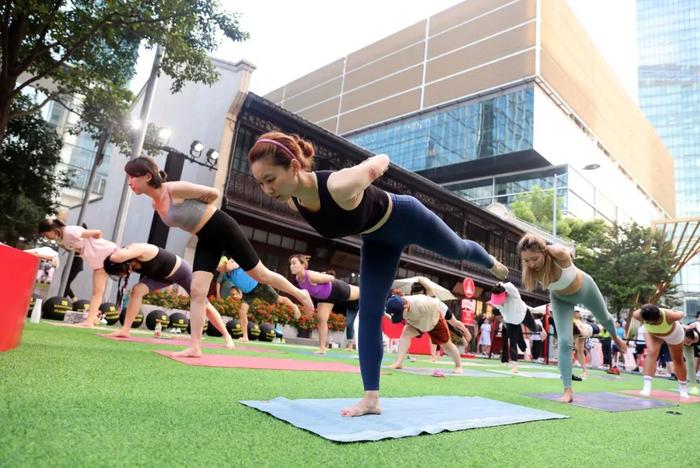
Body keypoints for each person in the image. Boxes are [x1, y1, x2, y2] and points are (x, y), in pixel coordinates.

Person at [248, 132, 508, 416]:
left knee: (457, 249)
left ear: (294, 167)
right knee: (370, 312)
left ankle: (489, 261)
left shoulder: (337, 184)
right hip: (377, 241)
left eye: (270, 179)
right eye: (261, 183)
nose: (267, 190)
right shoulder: (292, 200)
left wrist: (369, 168)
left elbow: (382, 160)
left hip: (408, 217)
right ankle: (371, 399)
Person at [124, 156, 314, 357]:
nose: (129, 182)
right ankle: (195, 347)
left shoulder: (172, 189)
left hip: (221, 227)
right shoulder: (156, 204)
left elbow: (213, 193)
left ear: (147, 176)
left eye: (132, 177)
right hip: (205, 237)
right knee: (197, 291)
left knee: (261, 275)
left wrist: (202, 205)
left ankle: (301, 294)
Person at [517, 233, 627, 403]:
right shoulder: (530, 270)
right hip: (561, 299)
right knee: (564, 342)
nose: (531, 264)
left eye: (535, 258)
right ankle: (567, 390)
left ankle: (615, 337)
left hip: (585, 288)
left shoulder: (558, 254)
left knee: (605, 318)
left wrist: (548, 247)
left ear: (544, 252)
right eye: (526, 260)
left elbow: (564, 251)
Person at [103, 243, 235, 349]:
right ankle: (126, 329)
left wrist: (111, 258)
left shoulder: (138, 249)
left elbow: (115, 257)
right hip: (162, 277)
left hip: (182, 272)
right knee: (137, 290)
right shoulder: (129, 261)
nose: (125, 274)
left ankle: (227, 336)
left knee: (204, 306)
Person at [38, 219, 117, 327]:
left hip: (107, 252)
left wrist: (95, 244)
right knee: (97, 292)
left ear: (52, 229)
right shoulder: (61, 240)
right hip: (98, 262)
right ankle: (89, 321)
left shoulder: (70, 231)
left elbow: (98, 232)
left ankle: (90, 320)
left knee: (98, 292)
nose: (46, 237)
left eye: (46, 235)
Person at [217, 256, 301, 342]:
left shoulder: (233, 261)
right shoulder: (227, 275)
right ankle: (245, 336)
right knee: (242, 311)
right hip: (248, 293)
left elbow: (229, 266)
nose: (218, 270)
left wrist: (226, 262)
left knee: (279, 299)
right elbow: (238, 283)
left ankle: (294, 306)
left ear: (223, 263)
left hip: (259, 285)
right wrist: (239, 293)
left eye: (218, 267)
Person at [289, 254, 359, 354]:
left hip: (336, 289)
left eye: (294, 263)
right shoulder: (298, 279)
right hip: (325, 297)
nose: (291, 266)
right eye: (290, 264)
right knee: (321, 319)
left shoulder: (311, 275)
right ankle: (322, 348)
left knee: (362, 293)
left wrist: (321, 275)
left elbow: (331, 277)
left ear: (303, 264)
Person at [384, 294, 470, 373]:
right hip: (417, 323)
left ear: (405, 306)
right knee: (405, 333)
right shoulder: (396, 306)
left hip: (434, 322)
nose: (401, 317)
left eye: (400, 314)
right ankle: (398, 362)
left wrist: (449, 322)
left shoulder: (422, 303)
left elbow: (438, 304)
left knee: (447, 345)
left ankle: (458, 365)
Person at [631, 304, 689, 398]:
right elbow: (637, 313)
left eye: (655, 322)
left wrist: (668, 310)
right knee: (652, 352)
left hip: (673, 334)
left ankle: (683, 387)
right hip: (653, 334)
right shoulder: (638, 315)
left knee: (677, 359)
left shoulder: (670, 316)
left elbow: (681, 313)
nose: (654, 324)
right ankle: (647, 386)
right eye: (650, 322)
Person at [488, 282, 538, 373]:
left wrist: (502, 284)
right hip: (511, 321)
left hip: (523, 314)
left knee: (535, 329)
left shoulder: (513, 294)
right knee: (513, 342)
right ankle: (515, 366)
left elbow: (510, 285)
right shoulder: (496, 303)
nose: (499, 302)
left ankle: (540, 329)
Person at [683, 321, 700, 393]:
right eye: (687, 341)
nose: (688, 343)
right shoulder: (681, 333)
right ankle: (693, 386)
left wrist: (696, 325)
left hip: (695, 336)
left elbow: (697, 323)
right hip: (685, 345)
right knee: (690, 363)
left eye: (689, 341)